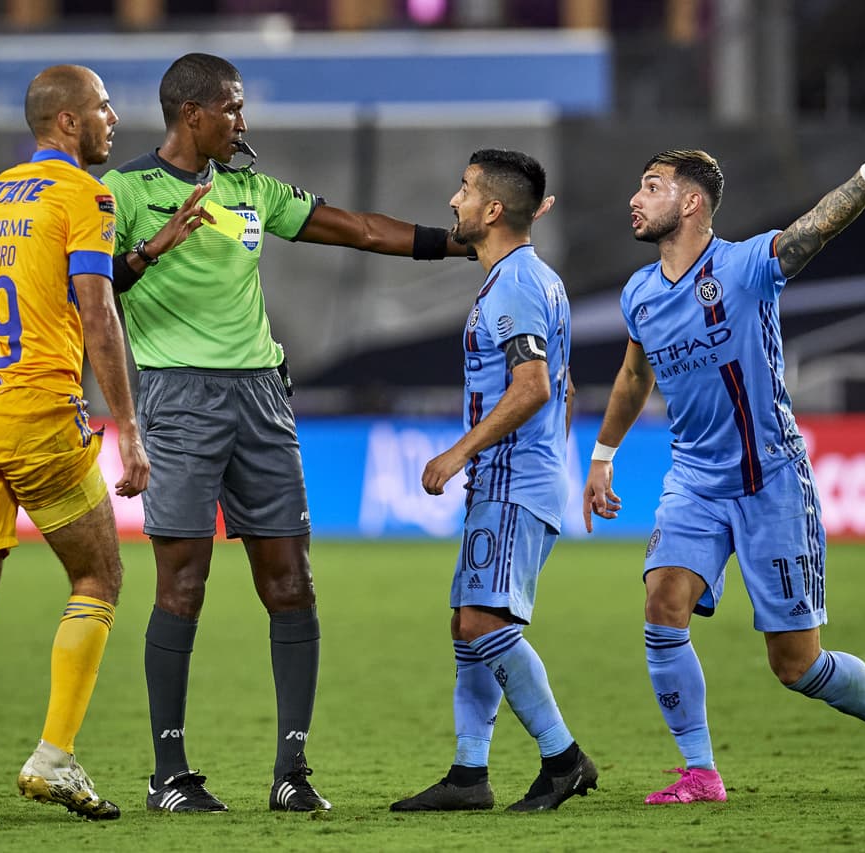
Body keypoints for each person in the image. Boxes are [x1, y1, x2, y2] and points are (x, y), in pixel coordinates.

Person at [100, 53, 550, 813]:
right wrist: (149, 251)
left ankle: (291, 771)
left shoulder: (248, 188)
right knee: (183, 583)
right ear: (192, 113)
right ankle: (169, 775)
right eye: (232, 109)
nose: (243, 123)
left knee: (292, 584)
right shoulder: (124, 191)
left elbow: (357, 227)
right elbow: (92, 286)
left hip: (262, 400)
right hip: (177, 399)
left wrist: (454, 244)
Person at [582, 109, 865, 804]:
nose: (635, 197)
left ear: (690, 202)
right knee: (662, 598)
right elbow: (634, 376)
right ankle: (700, 771)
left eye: (650, 186)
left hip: (770, 478)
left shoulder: (743, 267)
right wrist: (602, 455)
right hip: (694, 479)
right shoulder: (639, 294)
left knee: (796, 663)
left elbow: (813, 229)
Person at [0, 63, 209, 824]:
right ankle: (54, 756)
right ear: (69, 122)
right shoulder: (86, 192)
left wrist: (146, 253)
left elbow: (47, 286)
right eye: (105, 107)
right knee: (100, 576)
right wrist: (131, 429)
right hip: (37, 409)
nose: (116, 119)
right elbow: (94, 311)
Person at [388, 150, 596, 814]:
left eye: (466, 189)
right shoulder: (533, 278)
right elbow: (558, 383)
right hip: (518, 478)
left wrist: (457, 453)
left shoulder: (512, 285)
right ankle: (469, 774)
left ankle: (563, 758)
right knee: (466, 621)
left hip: (511, 479)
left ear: (494, 210)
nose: (454, 200)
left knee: (482, 619)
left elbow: (531, 386)